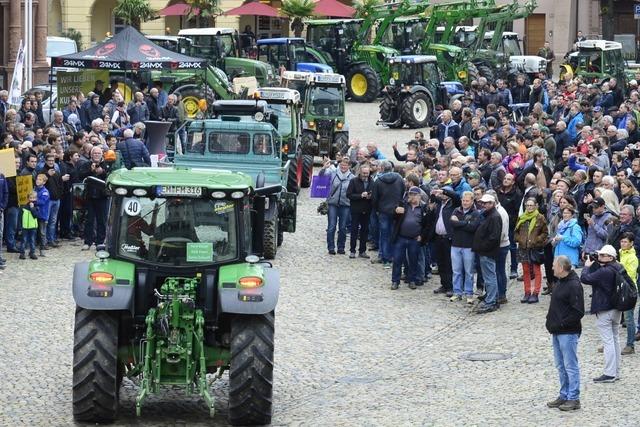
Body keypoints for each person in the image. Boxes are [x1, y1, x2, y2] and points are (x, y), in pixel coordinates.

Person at [545, 255, 585, 412]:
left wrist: (561, 323)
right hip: (557, 331)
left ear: (561, 268)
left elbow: (578, 312)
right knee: (561, 366)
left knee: (570, 366)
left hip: (567, 332)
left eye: (554, 265)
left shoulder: (574, 285)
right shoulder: (561, 282)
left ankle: (573, 398)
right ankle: (564, 394)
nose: (552, 268)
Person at [580, 244, 623, 383]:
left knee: (608, 341)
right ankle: (616, 371)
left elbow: (586, 278)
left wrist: (586, 266)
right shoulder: (618, 266)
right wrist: (596, 263)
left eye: (602, 255)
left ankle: (609, 373)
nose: (599, 257)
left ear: (610, 257)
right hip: (616, 308)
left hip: (605, 309)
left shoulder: (605, 271)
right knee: (615, 340)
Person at [390, 186, 429, 290]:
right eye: (410, 195)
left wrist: (422, 236)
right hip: (401, 237)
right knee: (397, 260)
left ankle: (412, 280)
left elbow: (427, 225)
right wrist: (395, 211)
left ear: (420, 196)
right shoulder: (403, 204)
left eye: (415, 195)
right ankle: (395, 281)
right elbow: (393, 217)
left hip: (414, 238)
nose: (412, 197)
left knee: (413, 260)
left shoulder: (424, 208)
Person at [472, 194, 503, 313]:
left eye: (486, 203)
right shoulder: (489, 215)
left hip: (487, 252)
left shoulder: (494, 217)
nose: (484, 205)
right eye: (483, 203)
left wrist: (482, 247)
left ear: (492, 203)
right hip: (485, 252)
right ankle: (492, 298)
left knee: (490, 277)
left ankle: (491, 301)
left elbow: (494, 237)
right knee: (489, 277)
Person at [515, 197, 549, 303]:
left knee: (536, 270)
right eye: (527, 205)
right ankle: (527, 292)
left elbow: (545, 233)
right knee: (525, 271)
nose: (529, 207)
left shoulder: (540, 218)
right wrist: (519, 239)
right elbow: (516, 231)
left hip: (534, 248)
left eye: (531, 205)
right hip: (523, 248)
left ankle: (535, 293)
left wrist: (536, 240)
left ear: (535, 206)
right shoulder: (521, 217)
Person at [371, 161, 405, 267]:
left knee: (384, 235)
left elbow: (375, 198)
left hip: (383, 211)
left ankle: (385, 258)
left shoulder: (378, 181)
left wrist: (376, 209)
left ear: (381, 168)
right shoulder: (399, 179)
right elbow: (402, 192)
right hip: (396, 211)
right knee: (394, 234)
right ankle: (393, 256)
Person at [450, 191, 481, 303]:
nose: (465, 203)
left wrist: (460, 223)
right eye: (463, 200)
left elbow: (473, 227)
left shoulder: (475, 213)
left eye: (467, 201)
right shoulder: (456, 210)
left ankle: (469, 293)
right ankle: (457, 292)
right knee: (456, 270)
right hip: (455, 245)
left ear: (472, 201)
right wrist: (465, 223)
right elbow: (452, 224)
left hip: (468, 246)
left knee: (469, 271)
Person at [319, 157, 353, 255]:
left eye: (345, 165)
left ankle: (341, 247)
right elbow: (321, 177)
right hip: (332, 203)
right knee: (331, 226)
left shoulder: (352, 177)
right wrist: (324, 168)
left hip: (345, 204)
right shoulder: (333, 174)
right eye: (341, 165)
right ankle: (331, 247)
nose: (343, 167)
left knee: (342, 228)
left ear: (349, 166)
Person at [618, 233, 638, 355]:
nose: (623, 244)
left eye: (625, 242)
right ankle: (611, 342)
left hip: (629, 290)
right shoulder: (621, 253)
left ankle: (630, 345)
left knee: (629, 318)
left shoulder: (633, 258)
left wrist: (618, 268)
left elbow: (630, 274)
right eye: (622, 241)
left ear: (631, 243)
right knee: (614, 317)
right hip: (619, 288)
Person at [346, 164, 372, 258]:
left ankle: (362, 251)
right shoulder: (353, 181)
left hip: (367, 210)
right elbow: (349, 195)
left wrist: (370, 196)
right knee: (354, 230)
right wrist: (360, 195)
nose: (366, 175)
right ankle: (352, 250)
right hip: (356, 209)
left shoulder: (372, 181)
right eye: (364, 173)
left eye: (367, 173)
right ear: (360, 172)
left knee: (365, 231)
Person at [19, 191, 40, 260]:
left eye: (34, 198)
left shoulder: (36, 207)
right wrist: (20, 227)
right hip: (25, 227)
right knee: (24, 240)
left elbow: (36, 215)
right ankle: (22, 253)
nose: (32, 199)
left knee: (32, 240)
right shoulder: (24, 207)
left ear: (36, 198)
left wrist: (32, 208)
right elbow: (20, 217)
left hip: (33, 227)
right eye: (31, 198)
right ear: (28, 198)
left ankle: (32, 253)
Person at [34, 173, 50, 256]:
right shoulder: (34, 189)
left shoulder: (45, 192)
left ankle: (42, 248)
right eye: (37, 179)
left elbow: (42, 201)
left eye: (40, 180)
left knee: (42, 232)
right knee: (34, 231)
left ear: (44, 182)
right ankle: (32, 249)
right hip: (35, 214)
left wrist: (34, 201)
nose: (37, 181)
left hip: (42, 215)